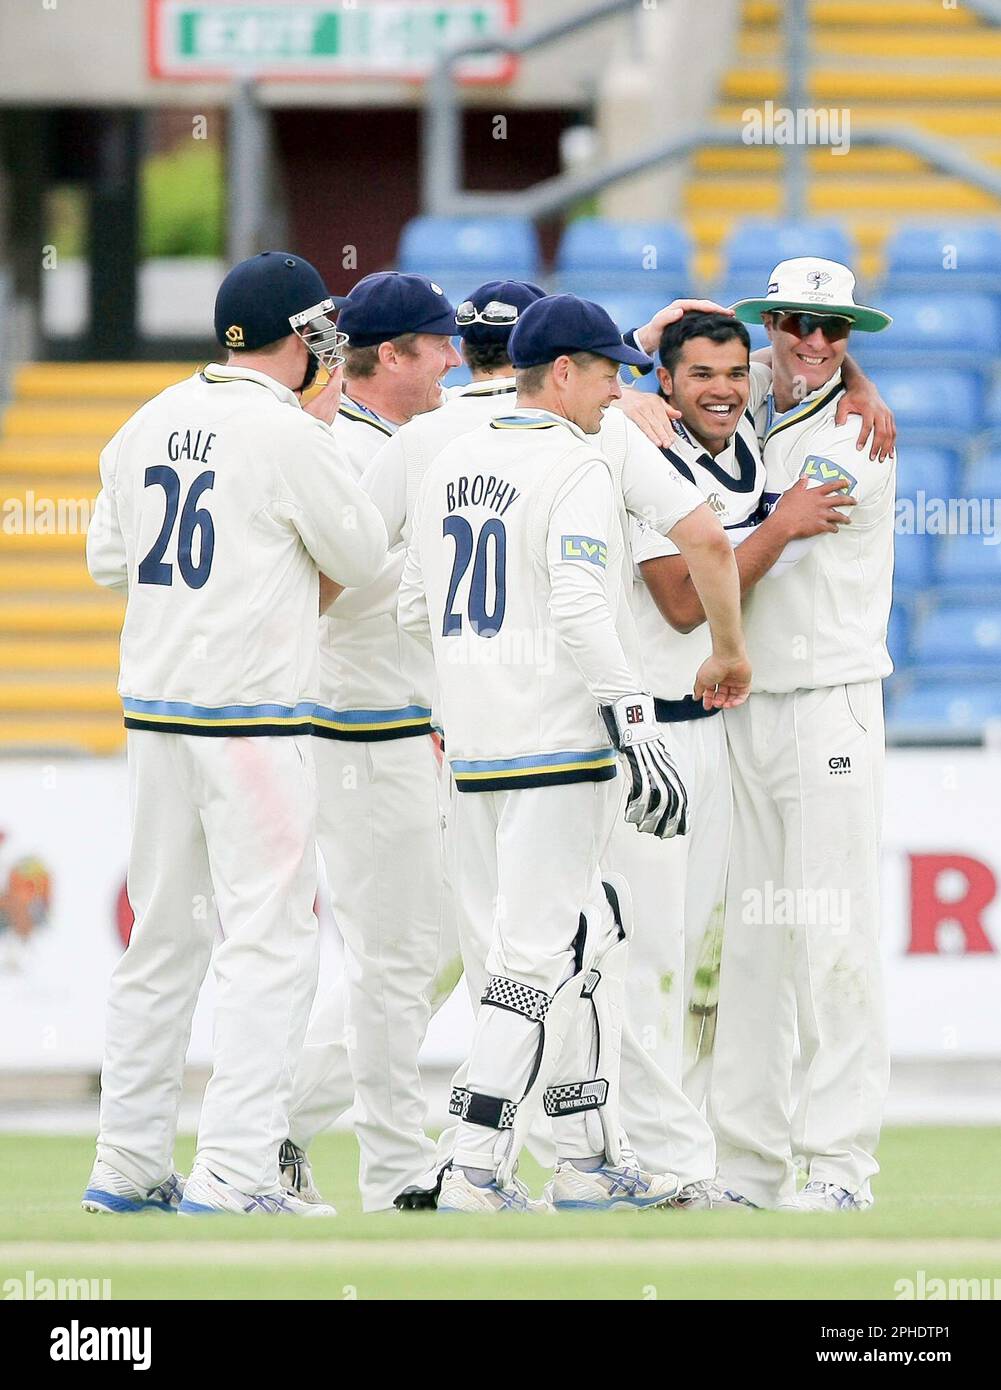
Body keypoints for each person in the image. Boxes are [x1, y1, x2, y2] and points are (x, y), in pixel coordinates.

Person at [399, 294, 750, 1212]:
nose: (614, 393)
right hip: (556, 747)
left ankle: (586, 1161)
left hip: (471, 748)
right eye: (605, 373)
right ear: (561, 372)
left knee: (583, 940)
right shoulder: (579, 462)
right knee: (532, 958)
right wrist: (636, 727)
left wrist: (469, 688)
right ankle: (472, 1165)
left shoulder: (449, 456)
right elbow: (583, 607)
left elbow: (411, 608)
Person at [81, 252, 388, 1217]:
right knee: (269, 945)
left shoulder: (146, 420)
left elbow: (106, 562)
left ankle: (127, 1163)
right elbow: (365, 558)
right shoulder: (289, 433)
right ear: (299, 339)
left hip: (158, 713)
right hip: (252, 718)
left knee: (161, 943)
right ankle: (235, 1170)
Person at [708, 257, 896, 1211]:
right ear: (768, 325)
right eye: (796, 324)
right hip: (752, 707)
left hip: (828, 701)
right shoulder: (744, 420)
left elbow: (747, 557)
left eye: (835, 330)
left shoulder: (856, 438)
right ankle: (744, 1167)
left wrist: (852, 390)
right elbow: (671, 346)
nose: (815, 343)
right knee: (751, 947)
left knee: (830, 940)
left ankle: (838, 1167)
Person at [288, 272, 463, 1215]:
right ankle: (394, 1168)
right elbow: (337, 590)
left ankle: (274, 1127)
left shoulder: (399, 436)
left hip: (400, 730)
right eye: (438, 345)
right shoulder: (340, 450)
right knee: (398, 960)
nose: (453, 360)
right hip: (354, 729)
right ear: (391, 354)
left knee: (412, 956)